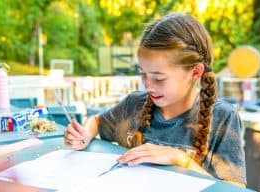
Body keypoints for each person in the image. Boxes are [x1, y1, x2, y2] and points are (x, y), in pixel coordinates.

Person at [64, 13, 246, 187]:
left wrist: (180, 159)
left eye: (159, 78)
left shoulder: (223, 117)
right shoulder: (133, 105)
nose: (148, 85)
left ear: (195, 72)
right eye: (143, 74)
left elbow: (235, 188)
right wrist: (84, 134)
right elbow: (97, 121)